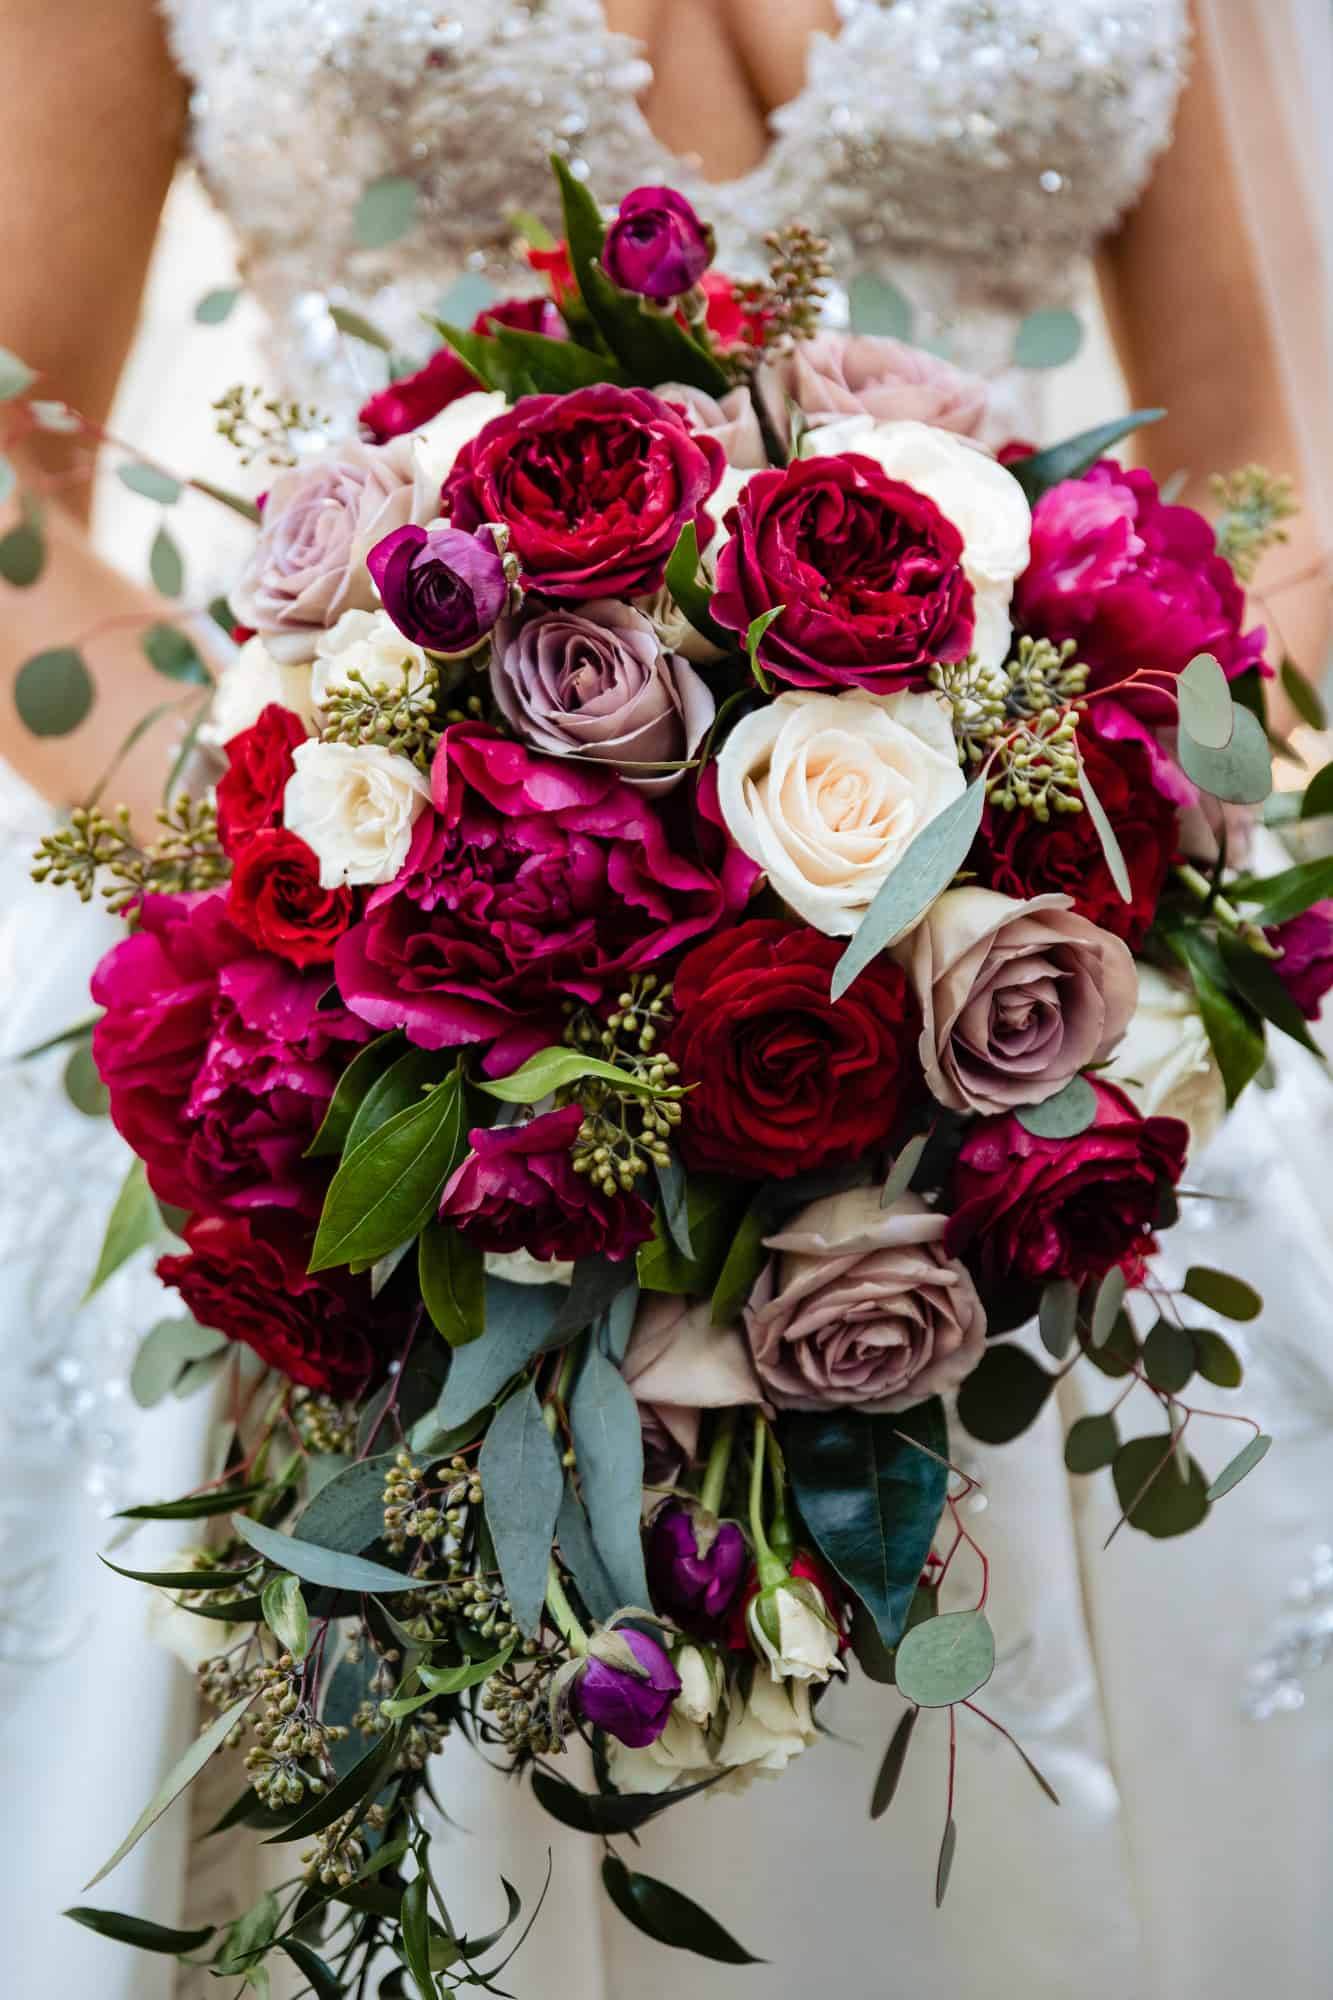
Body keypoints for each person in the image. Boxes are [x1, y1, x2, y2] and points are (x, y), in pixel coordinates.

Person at [1, 5, 1331, 1997]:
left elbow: (1256, 500)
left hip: (1004, 1042)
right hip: (348, 1024)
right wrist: (293, 850)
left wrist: (1057, 870)